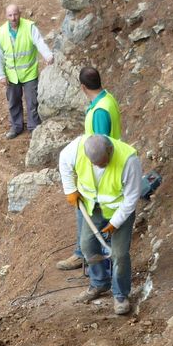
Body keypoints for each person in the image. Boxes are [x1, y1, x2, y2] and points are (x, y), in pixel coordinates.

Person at [58, 133, 141, 316]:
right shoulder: (78, 148)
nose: (99, 166)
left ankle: (120, 295)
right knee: (87, 245)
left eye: (103, 163)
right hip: (93, 208)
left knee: (119, 254)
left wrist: (115, 223)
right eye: (95, 164)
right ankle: (99, 283)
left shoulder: (129, 161)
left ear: (110, 150)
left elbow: (132, 198)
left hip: (119, 210)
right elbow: (64, 160)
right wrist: (70, 189)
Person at [56, 66, 122, 271]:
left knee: (88, 213)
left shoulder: (100, 110)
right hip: (99, 165)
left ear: (83, 87)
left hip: (100, 169)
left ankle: (85, 255)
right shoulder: (105, 99)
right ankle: (83, 252)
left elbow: (100, 144)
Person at [0, 3, 53, 140]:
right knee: (13, 102)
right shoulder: (1, 33)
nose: (13, 18)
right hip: (12, 75)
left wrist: (48, 55)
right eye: (10, 15)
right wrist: (1, 75)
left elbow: (39, 43)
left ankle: (34, 127)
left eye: (15, 14)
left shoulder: (29, 27)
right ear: (6, 16)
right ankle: (16, 127)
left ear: (20, 14)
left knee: (32, 102)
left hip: (29, 73)